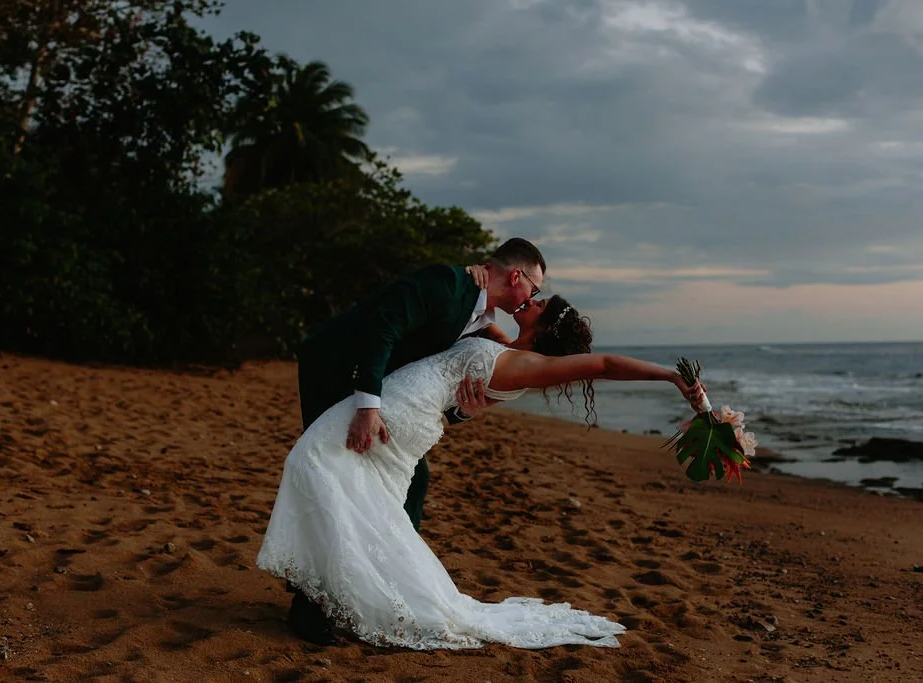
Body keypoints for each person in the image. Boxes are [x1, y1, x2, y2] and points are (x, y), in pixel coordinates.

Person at [258, 295, 708, 650]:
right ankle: (322, 601)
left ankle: (318, 601)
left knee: (319, 470)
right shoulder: (503, 344)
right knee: (357, 503)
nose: (528, 302)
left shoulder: (529, 366)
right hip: (408, 416)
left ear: (546, 327)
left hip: (402, 417)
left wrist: (671, 377)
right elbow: (471, 320)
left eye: (537, 305)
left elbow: (606, 365)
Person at [287, 238, 547, 644]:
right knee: (331, 478)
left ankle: (377, 587)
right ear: (517, 276)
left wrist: (468, 409)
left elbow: (440, 386)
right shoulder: (446, 283)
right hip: (336, 368)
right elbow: (383, 328)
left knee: (409, 482)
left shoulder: (480, 321)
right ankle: (310, 605)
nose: (534, 296)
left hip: (376, 389)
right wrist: (367, 407)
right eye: (535, 288)